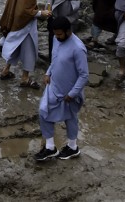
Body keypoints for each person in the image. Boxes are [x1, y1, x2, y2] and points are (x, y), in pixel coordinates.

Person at [35, 17, 89, 162]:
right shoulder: (57, 39)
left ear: (68, 31)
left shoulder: (78, 48)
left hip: (70, 92)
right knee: (43, 112)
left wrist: (72, 94)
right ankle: (50, 147)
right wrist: (48, 72)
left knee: (70, 118)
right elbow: (55, 59)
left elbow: (84, 75)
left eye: (59, 34)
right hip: (54, 86)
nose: (57, 37)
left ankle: (72, 147)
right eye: (55, 34)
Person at [0, 0, 49, 87]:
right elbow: (25, 11)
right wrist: (41, 13)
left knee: (14, 45)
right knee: (30, 49)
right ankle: (25, 78)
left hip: (14, 21)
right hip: (24, 24)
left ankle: (6, 70)